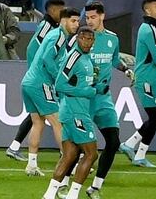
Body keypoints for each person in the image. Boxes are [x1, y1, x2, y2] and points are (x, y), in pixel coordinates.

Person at [83, 1, 134, 198]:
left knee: (113, 142)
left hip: (104, 98)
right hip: (85, 98)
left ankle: (95, 186)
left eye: (93, 17)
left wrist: (126, 69)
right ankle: (62, 182)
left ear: (102, 16)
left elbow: (113, 60)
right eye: (87, 17)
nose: (90, 21)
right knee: (79, 146)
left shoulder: (112, 39)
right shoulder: (84, 39)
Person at [42, 26, 99, 199]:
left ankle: (49, 195)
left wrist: (96, 85)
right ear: (77, 39)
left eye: (90, 39)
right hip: (76, 113)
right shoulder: (73, 57)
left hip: (74, 112)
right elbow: (59, 85)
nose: (87, 42)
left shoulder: (87, 58)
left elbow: (82, 83)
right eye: (83, 39)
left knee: (70, 155)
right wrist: (85, 91)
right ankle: (72, 196)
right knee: (91, 154)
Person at [22, 6, 79, 176]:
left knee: (38, 123)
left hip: (28, 82)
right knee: (58, 122)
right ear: (63, 20)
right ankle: (69, 163)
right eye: (73, 21)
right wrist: (59, 78)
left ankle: (31, 165)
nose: (76, 25)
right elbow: (48, 59)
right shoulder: (60, 35)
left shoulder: (55, 34)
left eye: (78, 21)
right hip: (40, 83)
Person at [7, 0, 66, 161]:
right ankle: (67, 155)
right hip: (40, 78)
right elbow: (32, 48)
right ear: (52, 11)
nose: (64, 14)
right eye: (61, 11)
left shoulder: (53, 27)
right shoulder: (47, 27)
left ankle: (16, 148)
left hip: (38, 77)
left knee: (38, 117)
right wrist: (35, 70)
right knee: (53, 117)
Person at [120, 0, 156, 168]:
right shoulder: (149, 29)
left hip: (150, 79)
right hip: (147, 80)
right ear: (148, 11)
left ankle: (129, 145)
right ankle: (139, 154)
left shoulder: (150, 28)